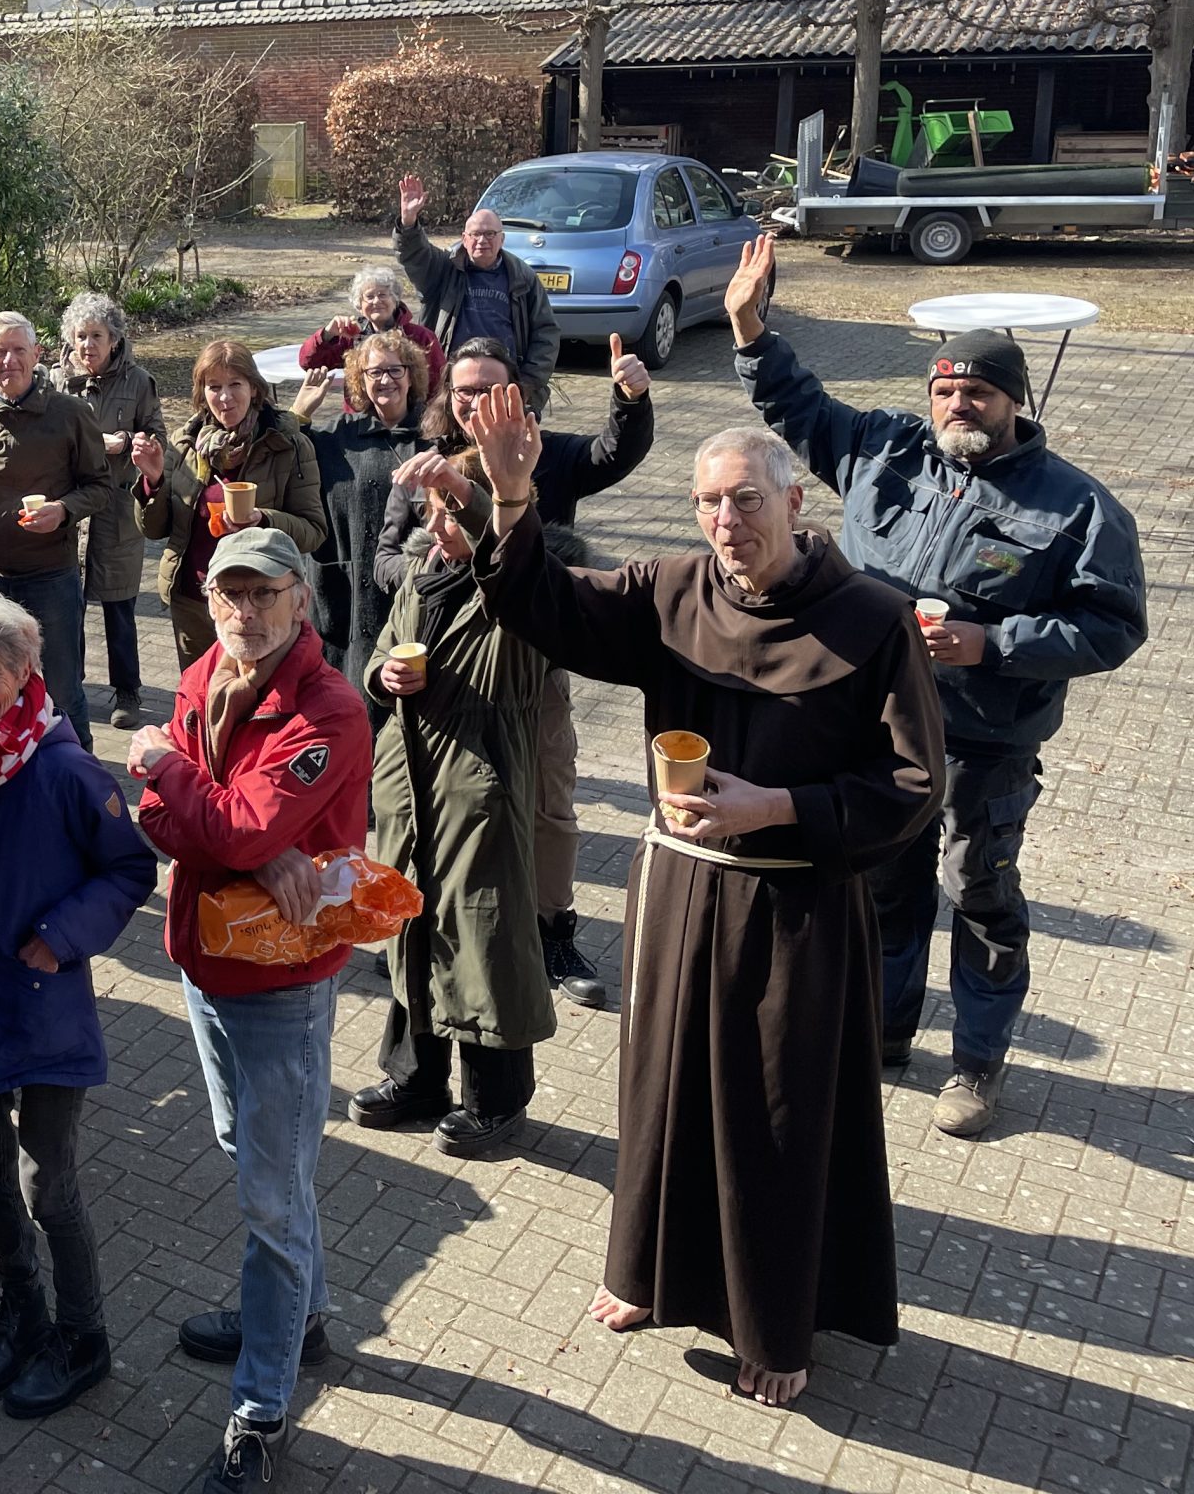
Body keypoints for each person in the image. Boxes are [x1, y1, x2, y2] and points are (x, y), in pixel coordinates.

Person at [464, 390, 945, 1408]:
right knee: (663, 1091)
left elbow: (913, 786)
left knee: (774, 1114)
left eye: (745, 500)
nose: (726, 522)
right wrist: (511, 501)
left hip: (796, 909)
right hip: (680, 889)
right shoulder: (670, 591)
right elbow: (546, 606)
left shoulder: (871, 620)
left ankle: (773, 1327)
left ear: (795, 501)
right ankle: (647, 1274)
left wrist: (777, 806)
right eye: (707, 503)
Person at [727, 233, 1146, 1137]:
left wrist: (990, 643)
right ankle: (881, 1033)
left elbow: (1114, 626)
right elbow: (798, 406)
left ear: (1014, 401)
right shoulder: (886, 450)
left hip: (982, 742)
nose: (959, 404)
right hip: (874, 725)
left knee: (977, 891)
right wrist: (751, 330)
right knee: (884, 881)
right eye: (946, 390)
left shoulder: (1078, 507)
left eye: (979, 392)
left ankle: (977, 1064)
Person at [125, 527, 373, 1493]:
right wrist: (251, 844)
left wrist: (177, 780)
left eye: (264, 593)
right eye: (229, 593)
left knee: (271, 1195)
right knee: (254, 1157)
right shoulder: (203, 675)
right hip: (202, 959)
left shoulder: (329, 708)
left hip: (281, 983)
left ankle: (262, 1405)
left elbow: (223, 821)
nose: (245, 611)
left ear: (300, 601)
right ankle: (299, 1315)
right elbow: (165, 824)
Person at [0, 594, 156, 1418]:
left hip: (40, 1005)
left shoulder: (62, 768)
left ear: (25, 673)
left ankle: (83, 1337)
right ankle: (22, 1309)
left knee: (45, 1182)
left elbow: (129, 868)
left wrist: (62, 935)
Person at [377, 334, 654, 1010]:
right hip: (445, 667)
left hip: (533, 666)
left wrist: (630, 400)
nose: (474, 400)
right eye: (463, 389)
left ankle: (553, 932)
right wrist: (426, 575)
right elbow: (384, 555)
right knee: (440, 806)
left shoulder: (543, 452)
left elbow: (611, 454)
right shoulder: (426, 459)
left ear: (516, 395)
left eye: (489, 388)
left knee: (548, 803)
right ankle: (422, 929)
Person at [351, 453, 565, 1159]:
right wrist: (382, 676)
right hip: (407, 785)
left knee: (485, 940)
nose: (440, 527)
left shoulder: (519, 596)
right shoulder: (422, 576)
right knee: (411, 926)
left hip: (479, 788)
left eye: (453, 513)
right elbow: (380, 653)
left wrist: (480, 495)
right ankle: (416, 1079)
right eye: (433, 512)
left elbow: (513, 549)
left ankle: (496, 1100)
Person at [0, 313, 117, 751]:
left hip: (51, 574)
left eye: (19, 350)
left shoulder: (71, 414)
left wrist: (64, 510)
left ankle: (78, 772)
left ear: (37, 354)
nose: (9, 360)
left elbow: (101, 486)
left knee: (61, 688)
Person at [135, 339, 325, 669]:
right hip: (194, 602)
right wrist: (154, 482)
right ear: (202, 393)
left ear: (254, 388)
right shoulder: (185, 443)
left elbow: (314, 532)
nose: (225, 397)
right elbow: (154, 530)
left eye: (235, 384)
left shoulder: (288, 445)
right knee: (199, 694)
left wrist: (263, 520)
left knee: (255, 695)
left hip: (259, 606)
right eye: (214, 387)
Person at [48, 293, 163, 729]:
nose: (88, 345)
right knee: (67, 605)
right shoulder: (55, 380)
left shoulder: (139, 382)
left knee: (119, 605)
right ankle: (70, 687)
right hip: (70, 507)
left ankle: (128, 691)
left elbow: (157, 436)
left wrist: (131, 442)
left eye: (97, 336)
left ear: (114, 339)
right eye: (81, 336)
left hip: (118, 507)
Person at [293, 330, 427, 697]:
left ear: (411, 375)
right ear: (360, 380)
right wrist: (299, 414)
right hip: (343, 600)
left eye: (395, 370)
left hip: (404, 595)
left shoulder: (432, 437)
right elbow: (283, 458)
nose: (385, 380)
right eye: (374, 372)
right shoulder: (336, 437)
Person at [391, 172, 560, 417]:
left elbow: (546, 333)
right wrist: (408, 222)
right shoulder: (443, 270)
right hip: (450, 385)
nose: (482, 240)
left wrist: (528, 383)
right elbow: (414, 255)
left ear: (502, 239)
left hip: (504, 385)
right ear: (464, 239)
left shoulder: (523, 278)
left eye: (490, 234)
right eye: (475, 234)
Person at [295, 263, 445, 398]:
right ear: (359, 305)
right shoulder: (350, 335)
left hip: (411, 414)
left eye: (382, 295)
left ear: (395, 300)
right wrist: (327, 334)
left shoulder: (420, 337)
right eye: (369, 296)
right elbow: (309, 363)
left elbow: (440, 386)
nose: (376, 301)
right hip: (360, 415)